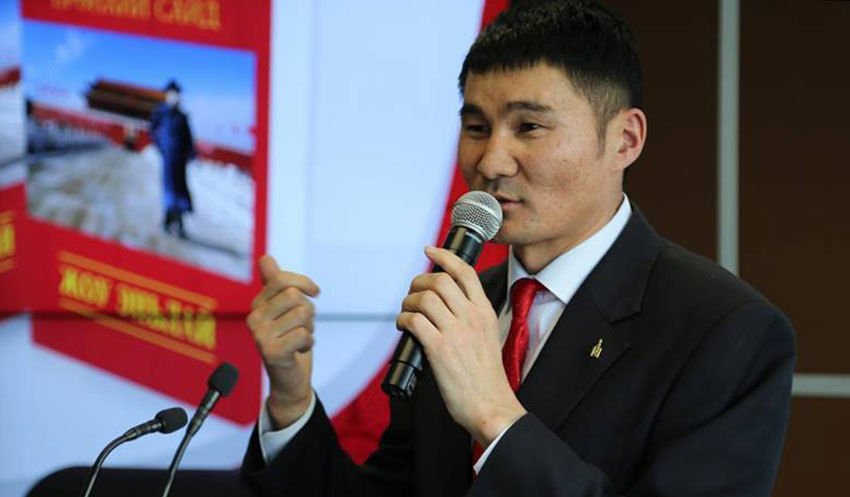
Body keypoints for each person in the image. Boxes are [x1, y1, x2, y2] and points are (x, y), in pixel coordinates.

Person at [241, 2, 796, 496]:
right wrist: (291, 401)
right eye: (476, 127)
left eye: (528, 127)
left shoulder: (726, 331)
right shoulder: (460, 306)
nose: (491, 161)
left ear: (625, 140)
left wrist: (494, 416)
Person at [150, 79, 195, 239]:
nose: (174, 96)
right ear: (167, 95)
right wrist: (160, 146)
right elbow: (152, 131)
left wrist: (190, 153)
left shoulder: (182, 116)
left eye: (176, 94)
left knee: (180, 189)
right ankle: (171, 222)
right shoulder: (160, 113)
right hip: (168, 158)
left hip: (180, 160)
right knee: (170, 189)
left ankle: (176, 223)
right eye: (171, 94)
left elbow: (189, 138)